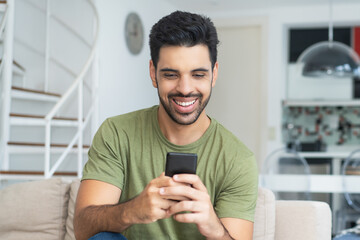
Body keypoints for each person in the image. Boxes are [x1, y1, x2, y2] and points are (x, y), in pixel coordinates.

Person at [74, 11, 258, 240]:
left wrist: (214, 227)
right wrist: (133, 210)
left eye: (198, 74)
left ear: (214, 74)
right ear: (153, 73)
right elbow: (82, 230)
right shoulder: (117, 133)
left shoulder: (237, 159)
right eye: (171, 74)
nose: (185, 88)